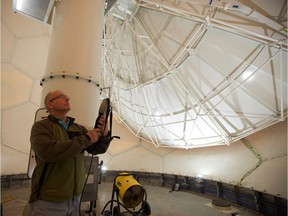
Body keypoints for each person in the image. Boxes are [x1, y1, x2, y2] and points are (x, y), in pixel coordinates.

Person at [22, 90, 112, 216]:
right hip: (49, 201)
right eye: (62, 97)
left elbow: (96, 149)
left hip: (75, 199)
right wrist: (86, 138)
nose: (67, 98)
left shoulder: (78, 128)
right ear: (50, 104)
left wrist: (104, 134)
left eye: (67, 96)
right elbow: (48, 152)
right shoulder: (41, 127)